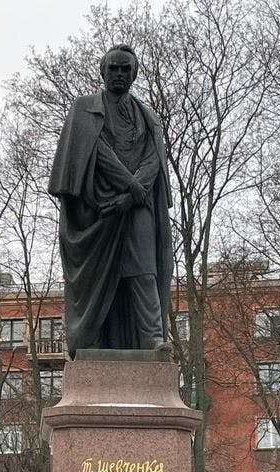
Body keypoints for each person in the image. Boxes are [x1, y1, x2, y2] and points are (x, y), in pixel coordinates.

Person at [48, 44, 174, 357]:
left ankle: (153, 340)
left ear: (134, 73)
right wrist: (128, 185)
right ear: (103, 71)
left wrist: (134, 192)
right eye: (114, 68)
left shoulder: (148, 118)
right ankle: (91, 341)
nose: (119, 74)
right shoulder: (85, 109)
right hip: (98, 211)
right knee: (98, 280)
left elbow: (154, 158)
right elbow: (96, 151)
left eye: (125, 69)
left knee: (144, 270)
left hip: (136, 207)